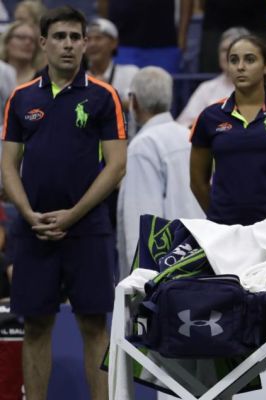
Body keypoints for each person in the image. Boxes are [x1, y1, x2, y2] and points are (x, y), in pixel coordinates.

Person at [1, 6, 127, 400]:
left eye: (75, 37)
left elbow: (117, 165)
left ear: (86, 43)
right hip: (33, 228)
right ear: (43, 43)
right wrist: (26, 213)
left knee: (93, 325)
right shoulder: (21, 98)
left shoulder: (104, 96)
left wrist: (72, 215)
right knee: (36, 326)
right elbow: (7, 164)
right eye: (59, 37)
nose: (68, 45)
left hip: (87, 229)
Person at [190, 34, 266, 226]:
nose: (240, 66)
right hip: (223, 230)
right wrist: (218, 216)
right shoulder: (209, 117)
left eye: (249, 59)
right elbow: (198, 183)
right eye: (233, 60)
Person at [117, 66, 204, 280]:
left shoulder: (143, 145)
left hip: (162, 275)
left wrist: (140, 282)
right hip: (199, 258)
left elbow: (142, 221)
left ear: (134, 101)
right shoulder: (190, 137)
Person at [176, 26, 249, 128]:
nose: (227, 55)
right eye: (224, 50)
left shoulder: (262, 88)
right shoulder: (206, 89)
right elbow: (182, 126)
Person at [86, 17, 139, 109]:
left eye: (98, 38)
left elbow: (138, 105)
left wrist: (107, 95)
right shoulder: (77, 78)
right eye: (88, 39)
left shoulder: (130, 73)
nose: (92, 44)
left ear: (114, 43)